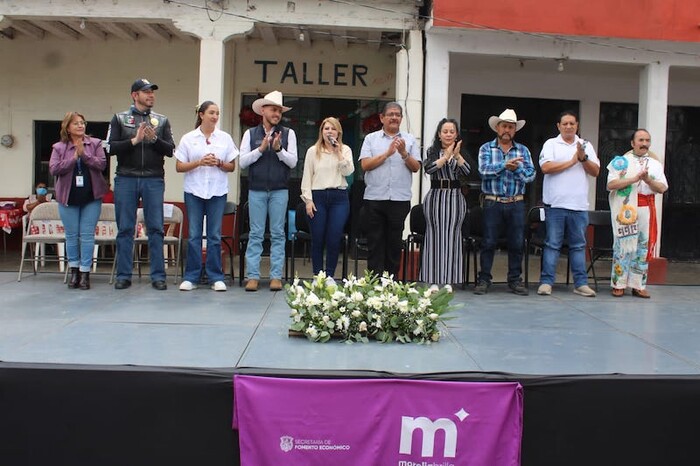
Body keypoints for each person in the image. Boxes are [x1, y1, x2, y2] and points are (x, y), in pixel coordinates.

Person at [107, 78, 175, 291]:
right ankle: (124, 275)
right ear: (134, 95)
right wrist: (134, 141)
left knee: (155, 228)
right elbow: (109, 148)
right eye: (146, 92)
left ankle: (158, 276)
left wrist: (154, 139)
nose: (151, 95)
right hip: (126, 177)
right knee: (126, 228)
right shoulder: (119, 118)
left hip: (153, 178)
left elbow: (171, 150)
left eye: (152, 92)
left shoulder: (161, 121)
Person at [176, 101, 238, 292]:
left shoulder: (225, 138)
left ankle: (215, 276)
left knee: (214, 235)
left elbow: (232, 166)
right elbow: (179, 166)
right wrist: (199, 162)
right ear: (201, 115)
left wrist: (219, 162)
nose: (215, 116)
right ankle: (191, 276)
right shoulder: (188, 138)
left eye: (217, 113)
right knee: (194, 235)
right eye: (211, 112)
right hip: (194, 191)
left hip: (217, 191)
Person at [239, 91, 298, 292]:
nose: (277, 113)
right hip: (256, 190)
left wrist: (279, 149)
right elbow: (243, 162)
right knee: (255, 233)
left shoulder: (289, 134)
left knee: (278, 233)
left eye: (279, 110)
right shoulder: (250, 134)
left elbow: (293, 161)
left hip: (280, 190)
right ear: (263, 110)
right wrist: (261, 149)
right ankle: (253, 276)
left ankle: (275, 276)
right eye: (273, 109)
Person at [537, 110, 600, 297]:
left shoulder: (585, 145)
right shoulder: (551, 144)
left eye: (572, 123)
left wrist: (583, 158)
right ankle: (546, 282)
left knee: (578, 246)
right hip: (556, 205)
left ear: (577, 125)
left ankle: (580, 283)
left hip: (579, 205)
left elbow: (595, 171)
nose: (569, 127)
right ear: (558, 126)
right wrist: (572, 161)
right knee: (552, 244)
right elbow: (546, 167)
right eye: (565, 123)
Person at [474, 109, 536, 295]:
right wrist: (503, 166)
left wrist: (516, 169)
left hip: (516, 202)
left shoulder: (523, 150)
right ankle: (484, 279)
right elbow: (483, 171)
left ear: (515, 130)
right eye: (504, 126)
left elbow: (531, 175)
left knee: (517, 243)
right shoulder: (486, 148)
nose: (507, 130)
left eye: (511, 127)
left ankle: (515, 280)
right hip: (492, 202)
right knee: (488, 242)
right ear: (497, 128)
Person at [359, 102, 421, 278]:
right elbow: (365, 165)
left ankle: (391, 282)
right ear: (382, 118)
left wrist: (403, 153)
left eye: (398, 115)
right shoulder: (371, 139)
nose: (394, 117)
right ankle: (374, 283)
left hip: (399, 200)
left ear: (401, 118)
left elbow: (416, 167)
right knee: (375, 243)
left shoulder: (409, 140)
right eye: (391, 114)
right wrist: (386, 154)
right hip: (375, 198)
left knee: (394, 243)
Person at [49, 112, 108, 290]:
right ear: (68, 127)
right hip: (68, 198)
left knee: (88, 235)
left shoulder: (95, 143)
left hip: (91, 197)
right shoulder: (59, 147)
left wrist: (85, 156)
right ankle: (73, 270)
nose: (80, 126)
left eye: (82, 123)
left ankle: (85, 273)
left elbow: (101, 164)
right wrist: (73, 158)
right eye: (76, 124)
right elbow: (53, 169)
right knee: (72, 235)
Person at [607, 129, 668, 298]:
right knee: (622, 245)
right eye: (640, 140)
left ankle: (638, 284)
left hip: (646, 207)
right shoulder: (622, 162)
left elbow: (662, 188)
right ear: (632, 143)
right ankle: (619, 283)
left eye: (647, 140)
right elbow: (611, 184)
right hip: (626, 208)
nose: (644, 144)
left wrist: (648, 180)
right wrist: (634, 179)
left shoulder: (655, 164)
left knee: (642, 245)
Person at [300, 117, 354, 282]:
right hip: (318, 196)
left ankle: (330, 275)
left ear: (338, 132)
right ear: (321, 132)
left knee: (334, 236)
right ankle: (318, 275)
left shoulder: (345, 150)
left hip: (339, 197)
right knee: (318, 237)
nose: (329, 131)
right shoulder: (313, 151)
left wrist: (338, 153)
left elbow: (348, 172)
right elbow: (307, 177)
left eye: (332, 129)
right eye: (326, 129)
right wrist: (308, 200)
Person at [420, 118, 471, 288]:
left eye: (452, 131)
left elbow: (468, 171)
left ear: (456, 134)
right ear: (439, 135)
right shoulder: (432, 151)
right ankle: (433, 279)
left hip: (455, 198)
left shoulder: (460, 151)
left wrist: (456, 156)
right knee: (434, 237)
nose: (448, 134)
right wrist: (446, 156)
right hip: (435, 197)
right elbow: (429, 169)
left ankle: (450, 279)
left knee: (453, 237)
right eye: (445, 131)